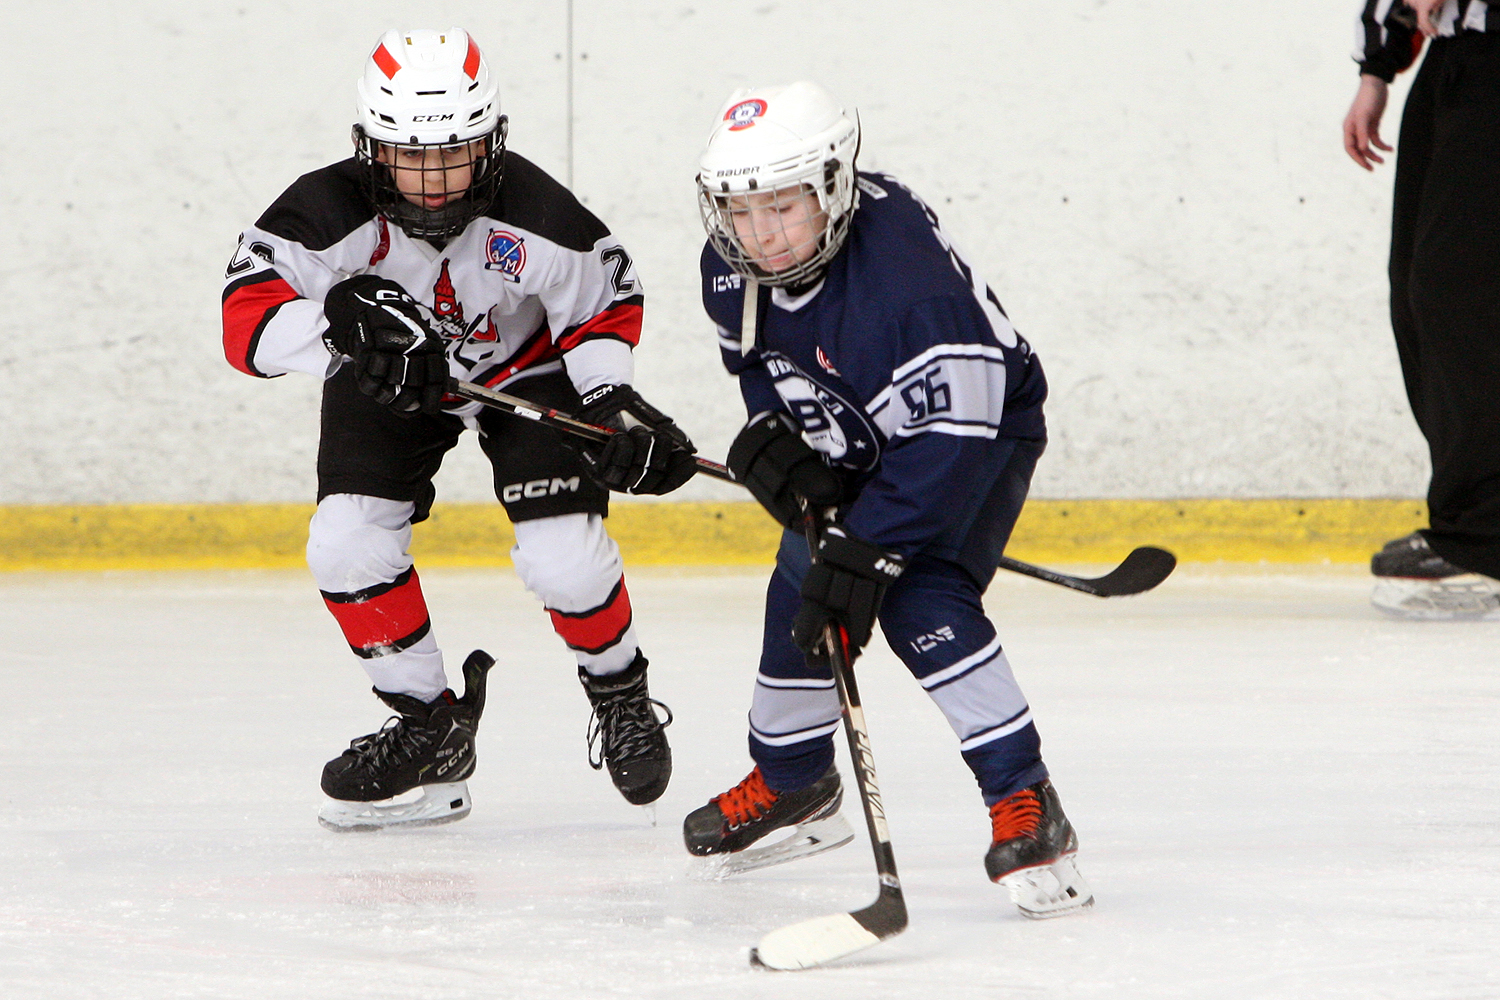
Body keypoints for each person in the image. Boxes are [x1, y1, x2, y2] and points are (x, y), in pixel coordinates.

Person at [221, 28, 697, 830]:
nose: (435, 179)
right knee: (344, 544)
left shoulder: (538, 212)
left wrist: (609, 401)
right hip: (390, 379)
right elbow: (244, 317)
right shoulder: (325, 208)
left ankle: (620, 690)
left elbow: (603, 305)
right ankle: (428, 727)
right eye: (411, 156)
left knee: (564, 558)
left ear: (490, 142)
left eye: (456, 153)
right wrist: (339, 326)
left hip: (524, 372)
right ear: (371, 147)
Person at [679, 82, 1092, 918]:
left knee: (918, 593)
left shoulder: (909, 293)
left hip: (979, 432)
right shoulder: (732, 270)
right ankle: (794, 779)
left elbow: (950, 442)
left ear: (831, 189)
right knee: (803, 572)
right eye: (741, 211)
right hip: (869, 423)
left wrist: (873, 550)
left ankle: (1025, 797)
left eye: (781, 208)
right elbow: (760, 365)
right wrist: (783, 443)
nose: (761, 234)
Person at [1344, 0, 1500, 619]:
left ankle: (1486, 538)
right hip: (1457, 60)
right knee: (1422, 292)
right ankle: (1474, 521)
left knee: (1463, 296)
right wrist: (1377, 68)